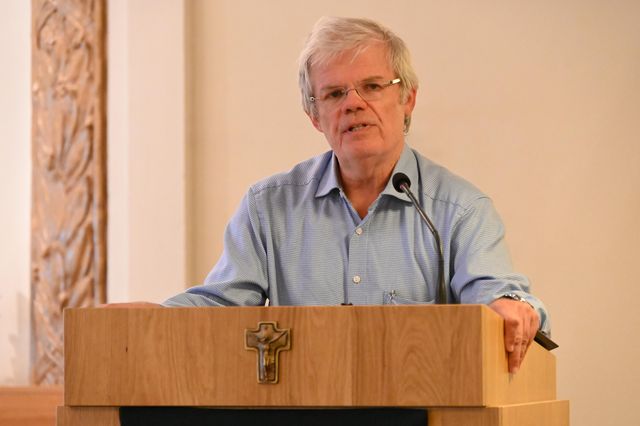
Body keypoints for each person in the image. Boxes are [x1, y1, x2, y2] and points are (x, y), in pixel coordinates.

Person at [160, 16, 550, 374]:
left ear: (407, 98)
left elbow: (499, 300)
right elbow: (219, 308)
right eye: (333, 94)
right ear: (315, 117)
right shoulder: (268, 209)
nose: (353, 104)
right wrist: (148, 317)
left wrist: (512, 308)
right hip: (302, 408)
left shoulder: (460, 211)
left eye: (372, 87)